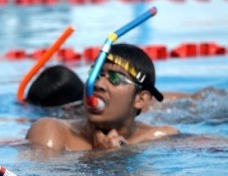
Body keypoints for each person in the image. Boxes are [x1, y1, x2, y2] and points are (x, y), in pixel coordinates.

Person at [26, 43, 179, 151]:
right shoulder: (52, 132)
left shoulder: (161, 138)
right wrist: (102, 158)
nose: (98, 84)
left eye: (115, 79)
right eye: (95, 74)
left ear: (141, 99)